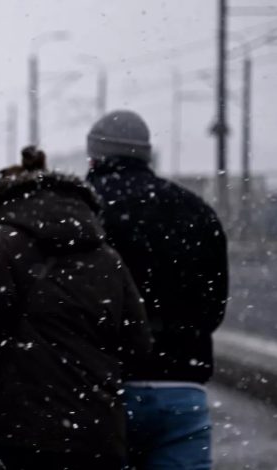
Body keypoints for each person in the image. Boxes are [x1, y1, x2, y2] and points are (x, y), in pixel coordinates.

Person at [0, 146, 152, 469]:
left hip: (15, 435)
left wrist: (2, 360)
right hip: (99, 436)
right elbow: (138, 346)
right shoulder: (107, 258)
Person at [85, 110, 228, 469]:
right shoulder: (197, 210)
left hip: (102, 389)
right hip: (182, 386)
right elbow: (213, 307)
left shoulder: (84, 212)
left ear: (95, 156)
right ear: (146, 155)